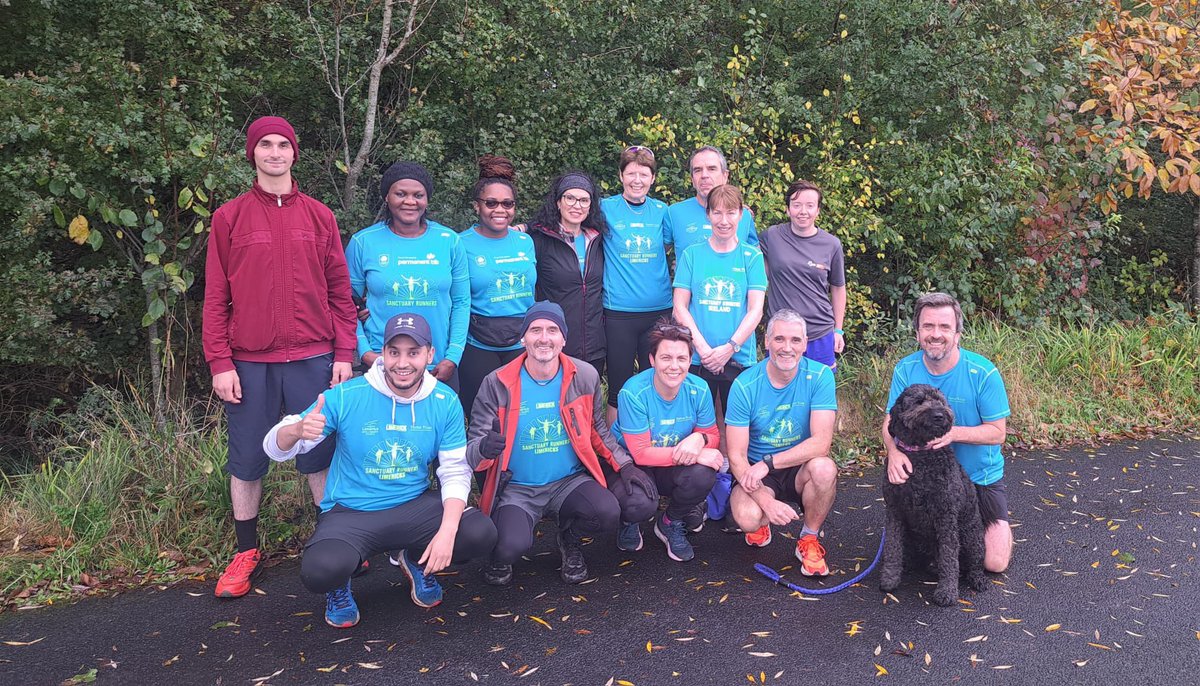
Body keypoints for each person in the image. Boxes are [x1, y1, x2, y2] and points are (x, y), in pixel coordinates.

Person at [203, 115, 358, 599]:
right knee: (247, 457)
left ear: (295, 153)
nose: (274, 152)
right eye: (265, 145)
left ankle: (332, 542)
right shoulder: (229, 217)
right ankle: (245, 551)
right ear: (253, 153)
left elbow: (339, 291)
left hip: (314, 356)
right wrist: (220, 362)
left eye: (283, 145)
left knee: (318, 454)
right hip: (249, 363)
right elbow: (215, 297)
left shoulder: (320, 216)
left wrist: (344, 352)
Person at [263, 313, 497, 628]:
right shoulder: (349, 395)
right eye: (394, 352)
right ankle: (339, 586)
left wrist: (446, 532)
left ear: (429, 355)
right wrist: (296, 431)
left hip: (413, 507)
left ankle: (416, 558)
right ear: (382, 354)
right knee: (319, 571)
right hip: (352, 512)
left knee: (480, 533)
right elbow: (274, 447)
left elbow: (455, 471)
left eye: (413, 353)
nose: (403, 363)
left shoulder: (445, 401)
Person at [467, 302, 658, 586]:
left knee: (607, 512)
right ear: (523, 338)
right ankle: (502, 552)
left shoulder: (584, 376)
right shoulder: (497, 382)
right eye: (535, 330)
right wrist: (485, 448)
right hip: (519, 488)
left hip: (568, 482)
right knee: (509, 547)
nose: (544, 337)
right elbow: (472, 453)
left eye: (552, 330)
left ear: (563, 339)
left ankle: (569, 538)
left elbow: (597, 431)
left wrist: (626, 464)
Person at [882, 292, 1013, 573]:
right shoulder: (905, 369)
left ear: (957, 334)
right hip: (928, 480)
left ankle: (997, 529)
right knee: (916, 560)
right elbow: (889, 421)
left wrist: (953, 434)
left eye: (945, 327)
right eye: (928, 327)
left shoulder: (984, 373)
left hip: (979, 479)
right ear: (917, 332)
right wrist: (893, 452)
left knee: (994, 563)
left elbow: (997, 433)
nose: (936, 334)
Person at [725, 309, 838, 577]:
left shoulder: (821, 376)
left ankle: (809, 538)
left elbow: (821, 443)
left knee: (825, 468)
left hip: (799, 467)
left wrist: (770, 463)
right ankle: (762, 523)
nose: (787, 348)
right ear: (766, 341)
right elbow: (737, 457)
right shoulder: (744, 385)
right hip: (755, 472)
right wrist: (766, 501)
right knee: (748, 518)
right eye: (779, 339)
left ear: (805, 344)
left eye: (795, 340)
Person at [346, 161, 469, 391]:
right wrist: (365, 352)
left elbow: (462, 303)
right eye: (400, 194)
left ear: (427, 199)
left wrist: (453, 357)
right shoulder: (363, 242)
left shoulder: (450, 241)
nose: (410, 202)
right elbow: (345, 304)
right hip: (382, 363)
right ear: (386, 197)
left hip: (437, 364)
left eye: (418, 195)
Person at [612, 319, 723, 562]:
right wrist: (699, 452)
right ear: (652, 360)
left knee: (704, 474)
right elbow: (641, 453)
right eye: (666, 358)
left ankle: (669, 522)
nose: (674, 366)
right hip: (632, 466)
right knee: (639, 504)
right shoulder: (633, 393)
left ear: (690, 360)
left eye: (682, 358)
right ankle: (629, 521)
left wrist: (700, 438)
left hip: (669, 464)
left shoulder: (699, 388)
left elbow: (713, 436)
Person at [671, 184, 767, 417]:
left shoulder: (752, 257)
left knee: (736, 425)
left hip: (739, 358)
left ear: (741, 215)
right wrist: (702, 349)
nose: (724, 221)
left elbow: (756, 310)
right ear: (708, 215)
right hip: (695, 356)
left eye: (731, 213)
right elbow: (679, 307)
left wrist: (729, 348)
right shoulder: (691, 254)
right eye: (717, 213)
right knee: (695, 423)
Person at [458, 155, 537, 416]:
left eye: (507, 203)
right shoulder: (459, 243)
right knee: (481, 417)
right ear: (476, 206)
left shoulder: (525, 242)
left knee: (520, 413)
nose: (499, 209)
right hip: (479, 345)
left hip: (521, 344)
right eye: (491, 203)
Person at [600, 146, 673, 426]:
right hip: (619, 312)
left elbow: (670, 242)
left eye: (644, 174)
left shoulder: (662, 211)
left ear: (653, 178)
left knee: (655, 383)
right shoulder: (605, 208)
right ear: (621, 175)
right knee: (618, 387)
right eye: (631, 173)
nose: (637, 180)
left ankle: (650, 444)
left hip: (659, 311)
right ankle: (613, 453)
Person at [760, 179, 846, 370]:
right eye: (796, 205)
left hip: (819, 332)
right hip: (781, 335)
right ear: (788, 209)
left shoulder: (831, 244)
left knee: (819, 392)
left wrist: (838, 330)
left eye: (809, 206)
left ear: (818, 210)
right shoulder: (771, 236)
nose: (803, 211)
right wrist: (742, 216)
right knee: (778, 389)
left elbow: (838, 288)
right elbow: (741, 249)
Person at [527, 171, 609, 373]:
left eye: (583, 200)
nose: (576, 205)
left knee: (588, 403)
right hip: (554, 345)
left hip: (594, 346)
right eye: (570, 198)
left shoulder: (598, 239)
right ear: (558, 202)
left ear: (591, 206)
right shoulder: (540, 239)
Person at [664, 146, 757, 256]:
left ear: (725, 175)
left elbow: (755, 260)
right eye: (698, 170)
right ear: (692, 179)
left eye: (712, 169)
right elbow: (655, 256)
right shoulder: (674, 213)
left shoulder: (744, 216)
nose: (704, 175)